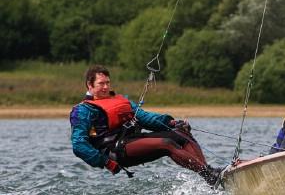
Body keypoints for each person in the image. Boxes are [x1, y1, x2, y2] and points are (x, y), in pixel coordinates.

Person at [70, 65, 222, 185]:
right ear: (89, 85)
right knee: (167, 143)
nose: (105, 87)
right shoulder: (83, 110)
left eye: (107, 83)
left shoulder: (120, 101)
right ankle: (208, 174)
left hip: (134, 140)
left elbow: (145, 117)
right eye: (101, 83)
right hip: (115, 151)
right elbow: (78, 144)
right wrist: (106, 163)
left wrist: (171, 122)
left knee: (181, 134)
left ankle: (209, 175)